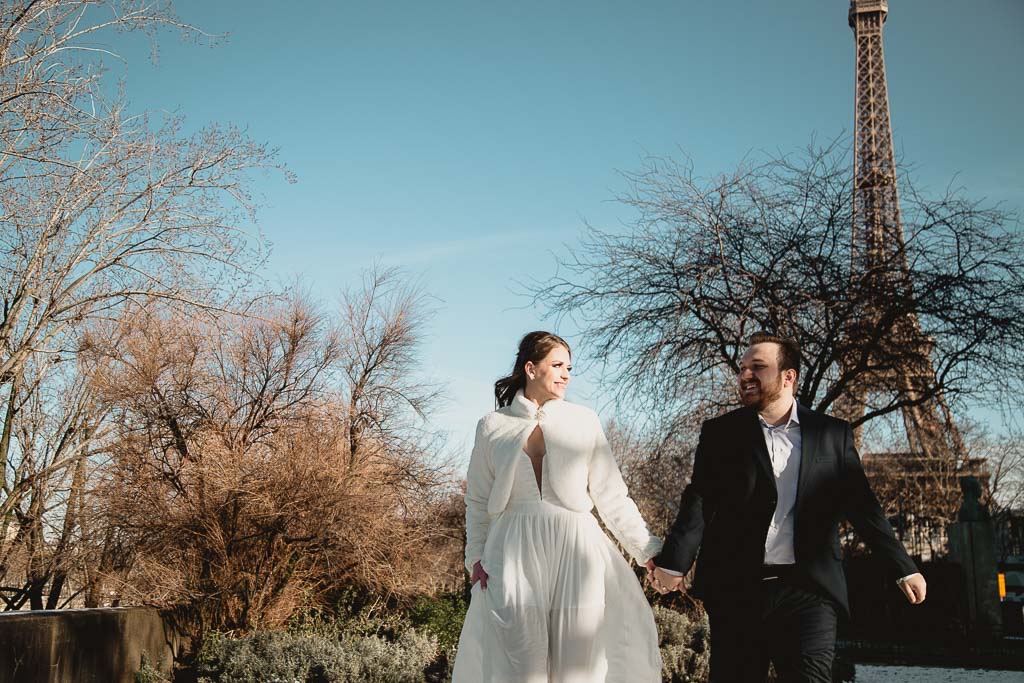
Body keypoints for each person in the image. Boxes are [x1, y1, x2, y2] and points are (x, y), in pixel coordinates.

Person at [649, 331, 927, 682]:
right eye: (743, 368)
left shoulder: (832, 434)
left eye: (758, 367)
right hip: (738, 591)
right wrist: (674, 562)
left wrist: (903, 566)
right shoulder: (722, 433)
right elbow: (700, 499)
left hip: (809, 591)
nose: (745, 375)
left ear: (788, 377)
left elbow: (862, 506)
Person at [452, 331, 663, 683]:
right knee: (521, 668)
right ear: (531, 368)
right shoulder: (492, 426)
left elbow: (611, 495)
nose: (566, 374)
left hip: (577, 548)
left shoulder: (584, 420)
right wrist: (474, 556)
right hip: (512, 551)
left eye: (569, 367)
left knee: (578, 669)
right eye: (557, 365)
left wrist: (647, 550)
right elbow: (476, 499)